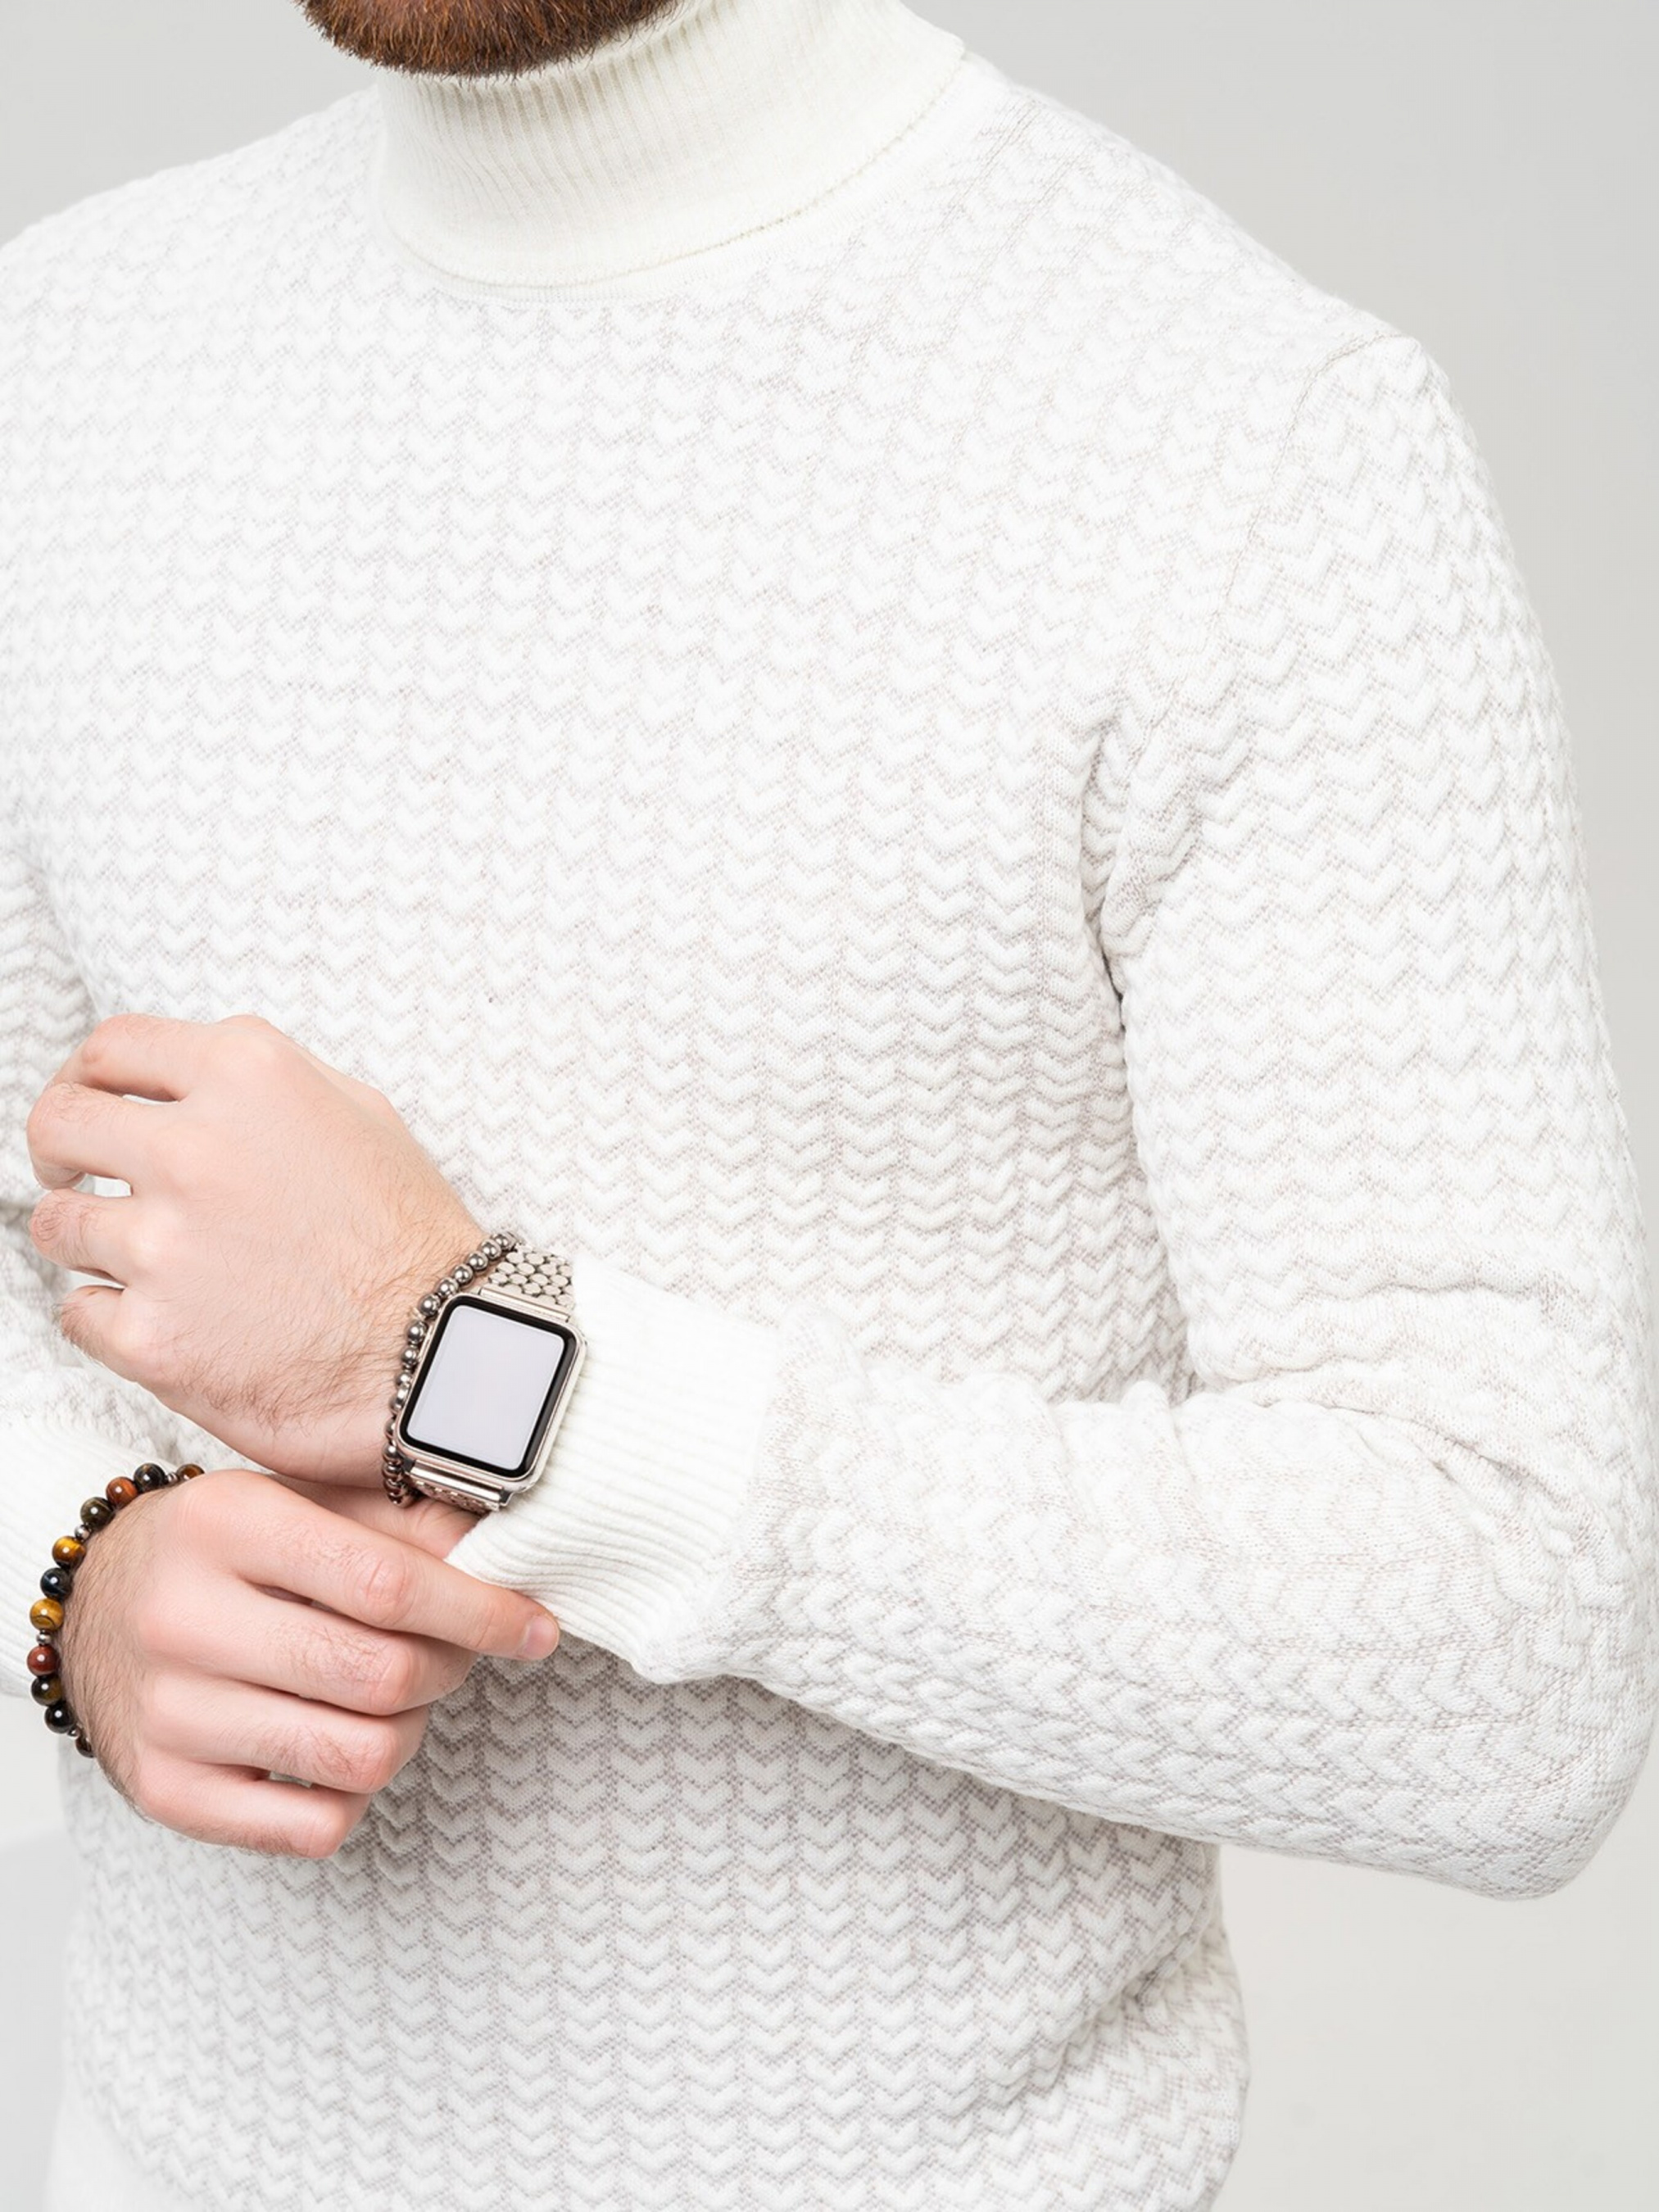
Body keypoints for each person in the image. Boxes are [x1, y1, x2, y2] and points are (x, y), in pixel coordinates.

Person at [3, 2, 1654, 2207]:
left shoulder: (1242, 451)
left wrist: (480, 1369)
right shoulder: (66, 355)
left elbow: (1507, 1648)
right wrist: (72, 1573)